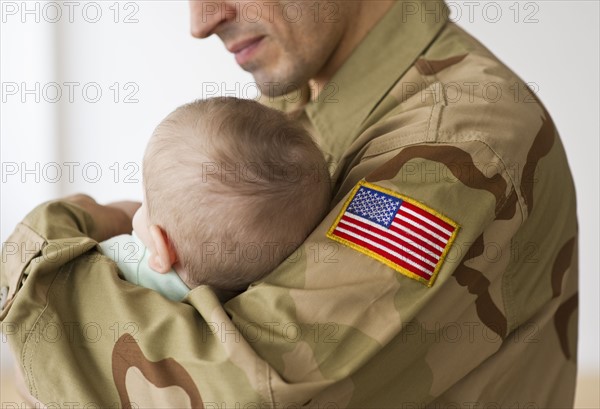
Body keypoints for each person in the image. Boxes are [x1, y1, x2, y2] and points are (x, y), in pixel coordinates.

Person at [0, 0, 578, 407]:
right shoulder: (309, 102)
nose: (200, 21)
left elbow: (242, 389)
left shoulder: (455, 142)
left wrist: (38, 252)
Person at [99, 97, 331, 302]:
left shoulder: (113, 264)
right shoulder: (242, 307)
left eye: (146, 203)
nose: (138, 207)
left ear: (162, 249)